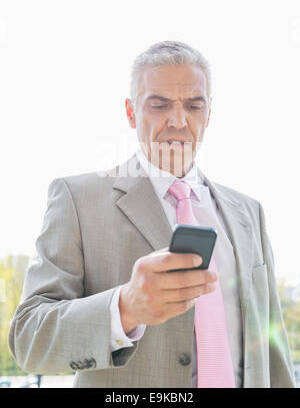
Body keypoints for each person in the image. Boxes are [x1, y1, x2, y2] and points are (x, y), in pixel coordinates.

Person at [8, 41, 296, 388]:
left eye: (193, 105)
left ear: (209, 115)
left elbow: (272, 349)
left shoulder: (250, 212)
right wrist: (125, 308)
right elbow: (29, 340)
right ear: (131, 112)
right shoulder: (76, 200)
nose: (178, 121)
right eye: (159, 105)